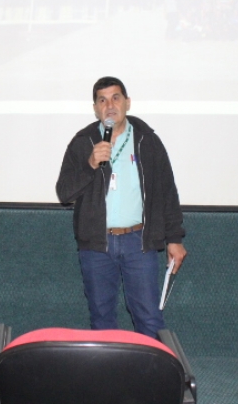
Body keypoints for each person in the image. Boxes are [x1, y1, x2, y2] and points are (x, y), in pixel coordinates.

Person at [56, 76, 187, 338]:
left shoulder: (148, 140)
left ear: (127, 102)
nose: (110, 106)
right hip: (97, 244)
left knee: (149, 318)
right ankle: (108, 366)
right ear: (95, 108)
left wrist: (174, 238)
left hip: (139, 241)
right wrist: (89, 165)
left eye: (115, 98)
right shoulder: (83, 142)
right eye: (102, 100)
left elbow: (167, 191)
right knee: (101, 317)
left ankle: (151, 365)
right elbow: (64, 193)